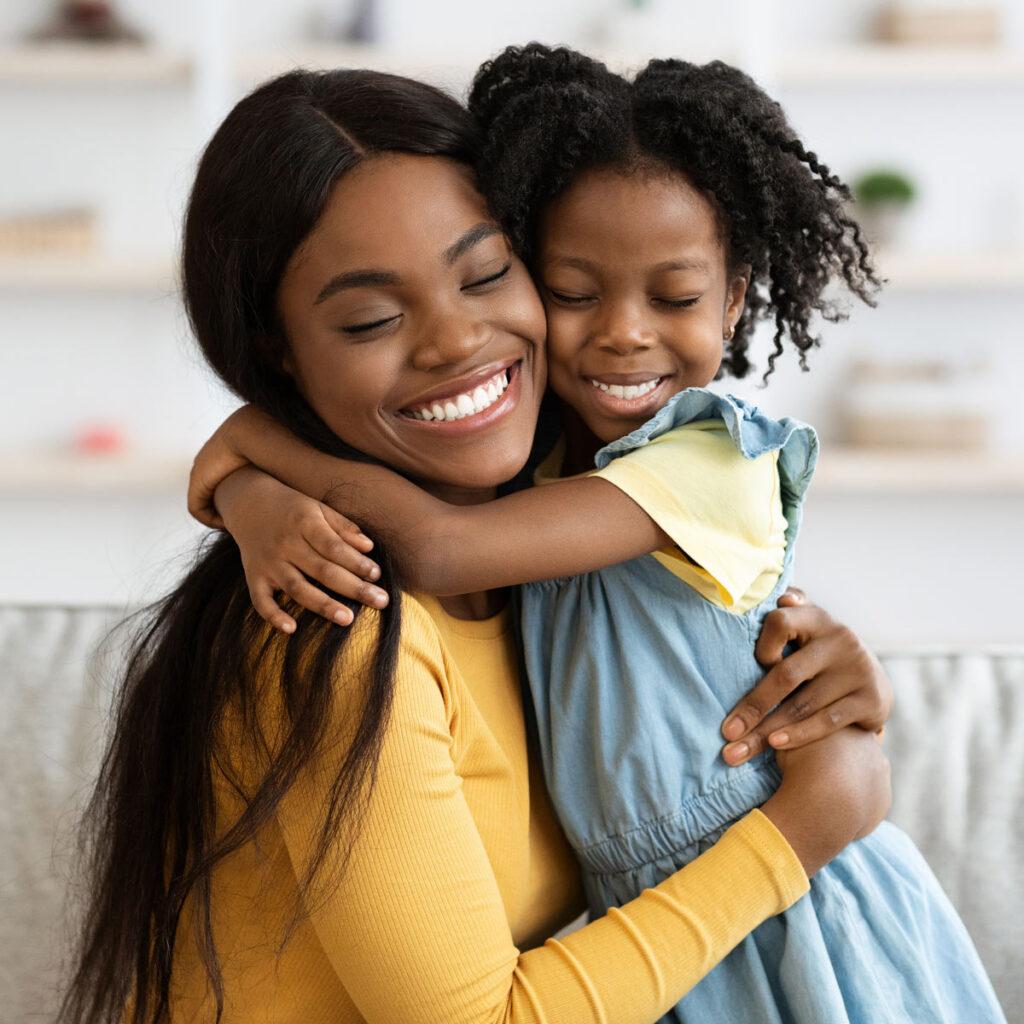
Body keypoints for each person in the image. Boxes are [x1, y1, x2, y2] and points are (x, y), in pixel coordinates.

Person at [187, 48, 1005, 1023]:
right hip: (729, 898)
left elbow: (457, 552)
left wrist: (248, 459)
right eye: (577, 289)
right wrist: (247, 481)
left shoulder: (691, 460)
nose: (622, 332)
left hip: (793, 915)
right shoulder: (356, 614)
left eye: (485, 275)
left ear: (734, 294)